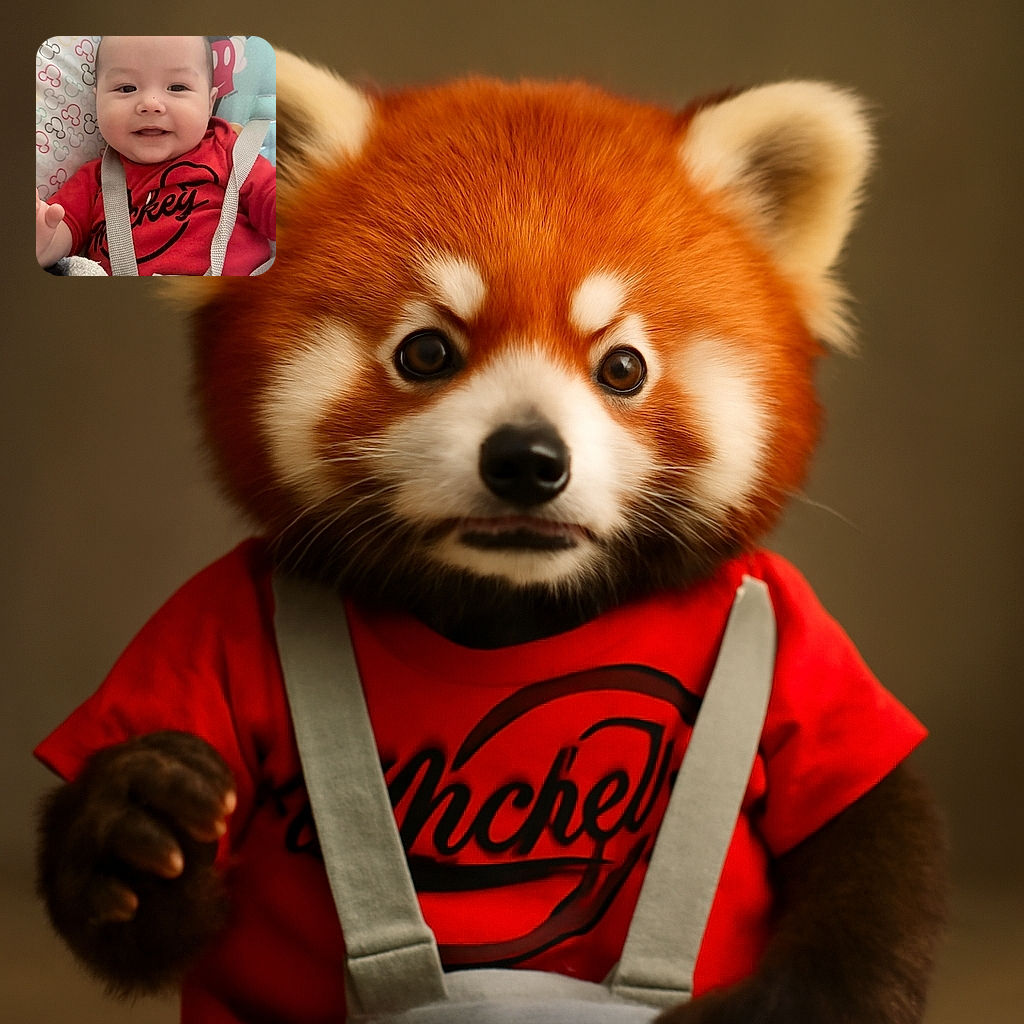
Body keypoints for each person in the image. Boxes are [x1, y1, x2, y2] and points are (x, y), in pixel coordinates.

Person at [35, 36, 275, 275]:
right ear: (97, 100)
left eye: (177, 87)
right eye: (126, 88)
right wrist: (44, 238)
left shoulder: (229, 150)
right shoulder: (93, 179)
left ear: (209, 103)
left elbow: (276, 202)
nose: (150, 104)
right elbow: (61, 230)